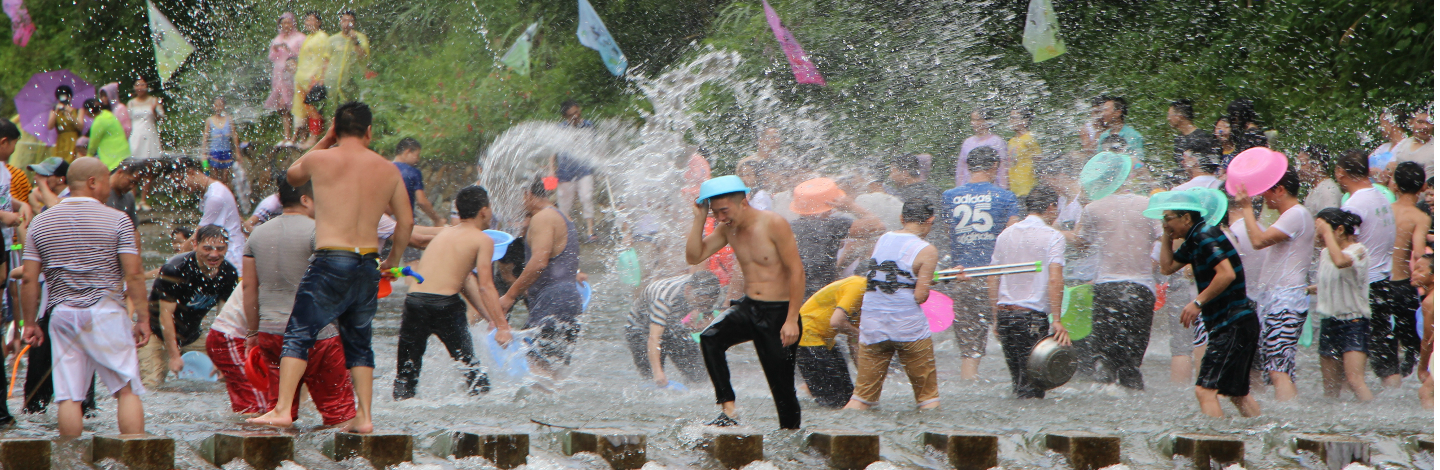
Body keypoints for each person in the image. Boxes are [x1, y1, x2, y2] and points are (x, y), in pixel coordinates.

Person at [249, 101, 414, 434]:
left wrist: (325, 141)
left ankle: (282, 410)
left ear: (336, 130)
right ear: (369, 131)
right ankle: (364, 418)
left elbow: (292, 175)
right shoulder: (388, 169)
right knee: (359, 341)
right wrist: (393, 260)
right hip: (367, 263)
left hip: (331, 259)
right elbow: (406, 221)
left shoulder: (320, 158)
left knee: (299, 332)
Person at [21, 157, 150, 437]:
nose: (108, 187)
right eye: (105, 180)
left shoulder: (41, 222)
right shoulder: (118, 220)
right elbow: (135, 274)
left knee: (69, 396)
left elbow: (30, 278)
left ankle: (71, 461)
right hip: (107, 313)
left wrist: (29, 323)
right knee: (126, 390)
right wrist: (142, 318)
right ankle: (137, 459)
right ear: (93, 183)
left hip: (63, 313)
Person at [686, 175, 804, 429]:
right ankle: (728, 411)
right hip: (749, 307)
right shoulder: (728, 229)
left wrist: (792, 319)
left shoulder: (773, 224)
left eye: (724, 211)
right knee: (710, 338)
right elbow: (694, 256)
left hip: (779, 313)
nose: (720, 218)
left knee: (782, 389)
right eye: (715, 213)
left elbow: (796, 271)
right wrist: (699, 218)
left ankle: (791, 439)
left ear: (743, 202)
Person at [242, 176, 356, 427]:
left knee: (281, 412)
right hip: (318, 336)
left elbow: (249, 288)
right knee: (340, 413)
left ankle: (281, 461)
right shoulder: (319, 232)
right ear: (306, 199)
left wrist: (253, 332)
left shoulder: (257, 235)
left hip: (270, 333)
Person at [1152, 189, 1261, 418]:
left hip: (1232, 322)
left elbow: (1226, 274)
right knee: (1237, 394)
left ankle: (1216, 444)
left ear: (1186, 218)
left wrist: (1197, 303)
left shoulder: (1205, 235)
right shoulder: (1194, 240)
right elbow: (1166, 267)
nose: (1165, 223)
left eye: (1168, 218)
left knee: (1204, 390)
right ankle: (1266, 438)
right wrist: (1166, 233)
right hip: (1238, 322)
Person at [394, 186, 510, 399]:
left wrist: (489, 318)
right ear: (483, 211)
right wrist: (502, 326)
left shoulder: (446, 232)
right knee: (469, 366)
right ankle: (484, 410)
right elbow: (486, 286)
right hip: (444, 306)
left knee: (406, 373)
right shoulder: (483, 239)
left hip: (414, 302)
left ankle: (400, 414)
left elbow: (464, 280)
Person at [843, 199, 943, 410]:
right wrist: (928, 281)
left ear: (901, 219)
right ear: (930, 221)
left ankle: (842, 428)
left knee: (861, 398)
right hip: (907, 326)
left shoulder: (884, 238)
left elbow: (889, 275)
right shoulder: (927, 250)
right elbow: (919, 296)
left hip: (872, 324)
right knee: (927, 398)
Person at [1077, 153, 1159, 390]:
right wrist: (1154, 264)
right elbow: (1167, 240)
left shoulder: (1093, 208)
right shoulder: (1148, 205)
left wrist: (1057, 231)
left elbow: (1082, 242)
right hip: (1141, 288)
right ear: (1126, 176)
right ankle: (1134, 405)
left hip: (1106, 288)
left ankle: (1104, 406)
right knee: (1132, 362)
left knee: (1104, 358)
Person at [1232, 169, 1314, 401]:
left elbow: (1258, 241)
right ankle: (1286, 416)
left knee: (1278, 369)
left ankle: (1288, 423)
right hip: (1277, 301)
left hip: (1285, 301)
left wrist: (1246, 208)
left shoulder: (1296, 214)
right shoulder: (1292, 215)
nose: (1263, 198)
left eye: (1266, 191)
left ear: (1280, 190)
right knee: (1278, 368)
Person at [940, 147, 1020, 380]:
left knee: (970, 350)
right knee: (1011, 341)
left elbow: (949, 233)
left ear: (967, 166)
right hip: (997, 280)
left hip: (963, 276)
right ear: (995, 167)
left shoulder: (949, 196)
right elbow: (1013, 234)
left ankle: (969, 379)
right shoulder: (1005, 196)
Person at [988, 186, 1069, 398]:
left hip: (1005, 315)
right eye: (1056, 208)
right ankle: (1030, 429)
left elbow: (992, 277)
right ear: (1051, 207)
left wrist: (996, 317)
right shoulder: (1053, 237)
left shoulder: (1006, 234)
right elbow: (1055, 279)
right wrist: (1057, 319)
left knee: (1018, 383)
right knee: (1034, 385)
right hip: (1030, 318)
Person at [499, 179, 583, 379]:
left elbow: (538, 262)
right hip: (568, 301)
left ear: (528, 194)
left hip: (554, 300)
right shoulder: (563, 216)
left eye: (521, 196)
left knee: (536, 369)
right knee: (553, 373)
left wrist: (510, 296)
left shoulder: (543, 218)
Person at [137, 225, 238, 390]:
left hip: (192, 336)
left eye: (220, 249)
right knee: (151, 386)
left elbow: (224, 319)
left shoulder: (229, 274)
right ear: (195, 245)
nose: (214, 254)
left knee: (227, 375)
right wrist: (174, 355)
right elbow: (165, 316)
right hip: (156, 334)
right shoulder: (175, 269)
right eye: (207, 248)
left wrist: (221, 357)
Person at [1334, 150, 1399, 386]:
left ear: (1341, 173)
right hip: (1383, 279)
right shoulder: (1381, 196)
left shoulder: (1353, 205)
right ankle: (1394, 399)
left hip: (1363, 286)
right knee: (1384, 350)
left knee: (1351, 351)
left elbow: (1345, 248)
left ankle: (1358, 403)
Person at [1311, 208, 1373, 401]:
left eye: (1321, 230)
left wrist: (1326, 233)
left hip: (1354, 322)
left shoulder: (1358, 250)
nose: (1318, 235)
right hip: (1329, 322)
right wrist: (1305, 289)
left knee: (1355, 380)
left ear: (1338, 230)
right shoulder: (1325, 253)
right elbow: (1330, 281)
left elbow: (1340, 262)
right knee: (1330, 388)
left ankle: (1372, 420)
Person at [789, 177, 884, 297]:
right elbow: (877, 226)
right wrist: (851, 206)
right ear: (830, 205)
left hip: (791, 295)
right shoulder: (833, 225)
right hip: (820, 295)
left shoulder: (788, 227)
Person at [626, 271, 721, 388]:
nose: (704, 307)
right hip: (642, 330)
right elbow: (654, 338)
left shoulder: (702, 287)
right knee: (653, 379)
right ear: (688, 290)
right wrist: (658, 373)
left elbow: (708, 305)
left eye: (708, 304)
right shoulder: (663, 298)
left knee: (699, 376)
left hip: (672, 326)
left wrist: (702, 315)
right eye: (701, 303)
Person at [1384, 162, 1430, 377]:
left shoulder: (1384, 210)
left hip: (1379, 283)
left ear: (1395, 184)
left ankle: (1387, 379)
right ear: (1422, 187)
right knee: (1411, 342)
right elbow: (1419, 254)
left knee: (1383, 338)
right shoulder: (1419, 217)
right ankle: (1409, 379)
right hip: (1402, 284)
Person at [795, 275, 864, 408]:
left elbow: (854, 341)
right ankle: (808, 390)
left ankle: (808, 388)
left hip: (825, 340)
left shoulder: (868, 301)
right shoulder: (858, 286)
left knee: (848, 396)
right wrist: (858, 333)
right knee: (833, 400)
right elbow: (836, 322)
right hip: (806, 337)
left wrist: (864, 379)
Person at [177, 157, 247, 268]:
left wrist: (173, 263)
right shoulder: (214, 190)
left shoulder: (215, 196)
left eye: (179, 181)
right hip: (228, 258)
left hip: (230, 261)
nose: (178, 186)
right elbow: (241, 222)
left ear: (191, 173)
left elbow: (197, 236)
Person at [554, 101, 599, 242]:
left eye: (577, 112)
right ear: (565, 116)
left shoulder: (588, 126)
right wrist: (551, 169)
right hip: (565, 171)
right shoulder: (560, 129)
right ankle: (564, 233)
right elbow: (553, 150)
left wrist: (600, 161)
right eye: (572, 114)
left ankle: (590, 231)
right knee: (564, 204)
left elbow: (595, 145)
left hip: (584, 169)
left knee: (587, 197)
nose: (576, 116)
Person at [290, 12, 330, 145]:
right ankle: (304, 137)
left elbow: (326, 58)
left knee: (312, 108)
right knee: (304, 109)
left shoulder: (322, 37)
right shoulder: (308, 38)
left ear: (319, 22)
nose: (308, 22)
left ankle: (314, 137)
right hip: (302, 79)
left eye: (311, 20)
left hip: (313, 79)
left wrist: (321, 78)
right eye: (306, 20)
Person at [266, 12, 306, 145]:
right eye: (283, 23)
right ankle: (287, 136)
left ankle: (301, 136)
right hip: (279, 75)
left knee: (297, 104)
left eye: (288, 22)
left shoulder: (300, 37)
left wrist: (288, 49)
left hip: (293, 74)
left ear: (293, 23)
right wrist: (276, 49)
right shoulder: (277, 38)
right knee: (282, 106)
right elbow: (271, 57)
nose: (285, 25)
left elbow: (304, 55)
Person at [391, 138, 443, 226]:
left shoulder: (384, 168)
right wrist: (437, 219)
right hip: (403, 221)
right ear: (408, 151)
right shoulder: (413, 172)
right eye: (417, 155)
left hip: (383, 220)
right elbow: (421, 201)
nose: (418, 159)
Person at [956, 109, 1010, 188]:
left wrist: (1003, 189)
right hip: (968, 188)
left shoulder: (996, 141)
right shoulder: (967, 142)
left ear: (986, 121)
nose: (972, 123)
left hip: (990, 188)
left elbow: (1002, 168)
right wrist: (959, 188)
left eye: (976, 120)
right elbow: (961, 168)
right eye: (972, 120)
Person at [1169, 99, 1221, 182]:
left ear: (1180, 115)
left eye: (1170, 115)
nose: (1168, 118)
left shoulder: (1203, 138)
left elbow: (1213, 164)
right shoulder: (1178, 139)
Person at [324, 10, 369, 104]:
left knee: (350, 108)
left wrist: (355, 41)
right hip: (333, 80)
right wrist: (322, 78)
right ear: (340, 21)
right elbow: (326, 60)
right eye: (344, 20)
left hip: (351, 80)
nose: (347, 23)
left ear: (354, 23)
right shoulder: (332, 39)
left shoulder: (361, 38)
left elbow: (364, 56)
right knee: (332, 108)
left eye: (350, 21)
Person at [1090, 96, 1145, 160]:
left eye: (1105, 110)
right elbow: (1098, 159)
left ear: (1117, 113)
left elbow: (1138, 162)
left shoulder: (1133, 136)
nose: (1102, 114)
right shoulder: (1104, 135)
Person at [204, 97, 243, 186]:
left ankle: (226, 194)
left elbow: (234, 135)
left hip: (226, 150)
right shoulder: (209, 120)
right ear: (213, 107)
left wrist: (238, 152)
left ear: (224, 106)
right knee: (215, 178)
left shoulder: (229, 119)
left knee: (225, 177)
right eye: (216, 105)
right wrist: (203, 153)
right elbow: (205, 138)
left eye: (221, 105)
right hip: (214, 152)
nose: (218, 108)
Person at [1412, 253, 1433, 408]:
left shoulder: (1430, 302)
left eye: (1420, 269)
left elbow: (1427, 339)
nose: (1413, 272)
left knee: (1426, 391)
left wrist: (1422, 368)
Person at [83, 99, 130, 170]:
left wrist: (88, 158)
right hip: (125, 153)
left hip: (113, 159)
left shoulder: (98, 122)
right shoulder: (109, 114)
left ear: (87, 111)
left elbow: (93, 145)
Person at [1296, 145, 1341, 214]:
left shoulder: (1328, 191)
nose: (1298, 169)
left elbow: (1330, 222)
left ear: (1316, 165)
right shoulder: (1317, 188)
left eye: (1302, 163)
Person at [127, 78, 164, 160]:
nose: (140, 87)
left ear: (147, 86)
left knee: (152, 158)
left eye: (142, 85)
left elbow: (161, 118)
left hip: (150, 133)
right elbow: (128, 120)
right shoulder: (131, 103)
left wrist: (154, 111)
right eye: (137, 85)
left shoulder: (154, 100)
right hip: (136, 134)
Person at [1368, 107, 1409, 181]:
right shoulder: (1384, 147)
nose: (1380, 128)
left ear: (1391, 123)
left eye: (1382, 124)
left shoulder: (1406, 146)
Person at [1007, 107, 1040, 198]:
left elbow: (1039, 160)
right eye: (1010, 118)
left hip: (1027, 189)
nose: (1010, 120)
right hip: (1014, 190)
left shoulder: (1029, 139)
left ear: (1025, 120)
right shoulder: (1012, 141)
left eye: (1014, 118)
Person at [1393, 106, 1432, 178]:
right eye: (1420, 122)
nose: (1424, 126)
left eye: (1428, 122)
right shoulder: (1403, 144)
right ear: (1411, 123)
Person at [45, 85, 81, 162]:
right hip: (61, 140)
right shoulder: (54, 111)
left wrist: (71, 116)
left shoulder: (76, 111)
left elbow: (80, 127)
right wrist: (56, 111)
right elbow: (49, 126)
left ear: (69, 97)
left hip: (74, 139)